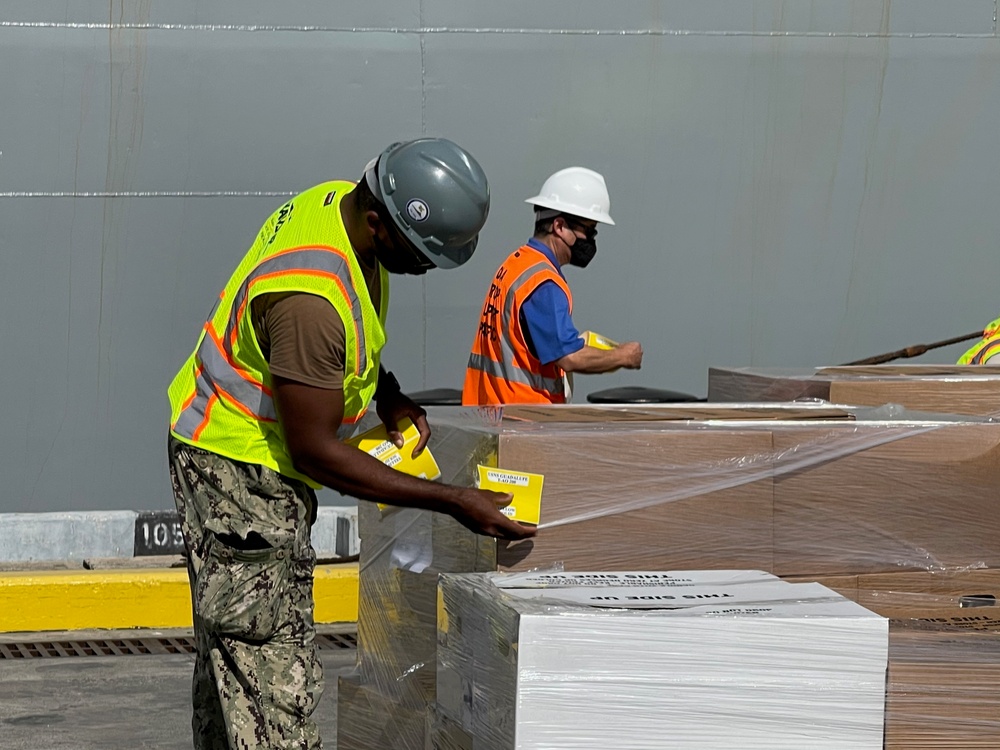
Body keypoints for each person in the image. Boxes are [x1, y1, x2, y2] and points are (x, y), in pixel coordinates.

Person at [166, 137, 535, 750]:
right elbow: (315, 450)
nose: (422, 272)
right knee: (272, 678)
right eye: (421, 257)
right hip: (238, 478)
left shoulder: (340, 207)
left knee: (231, 657)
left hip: (242, 459)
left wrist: (386, 393)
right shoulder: (310, 299)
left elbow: (349, 336)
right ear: (378, 224)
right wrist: (452, 500)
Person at [462, 166, 643, 405]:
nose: (591, 240)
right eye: (588, 230)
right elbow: (569, 357)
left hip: (493, 414)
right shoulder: (544, 283)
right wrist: (623, 356)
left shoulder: (516, 264)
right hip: (525, 420)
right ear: (559, 226)